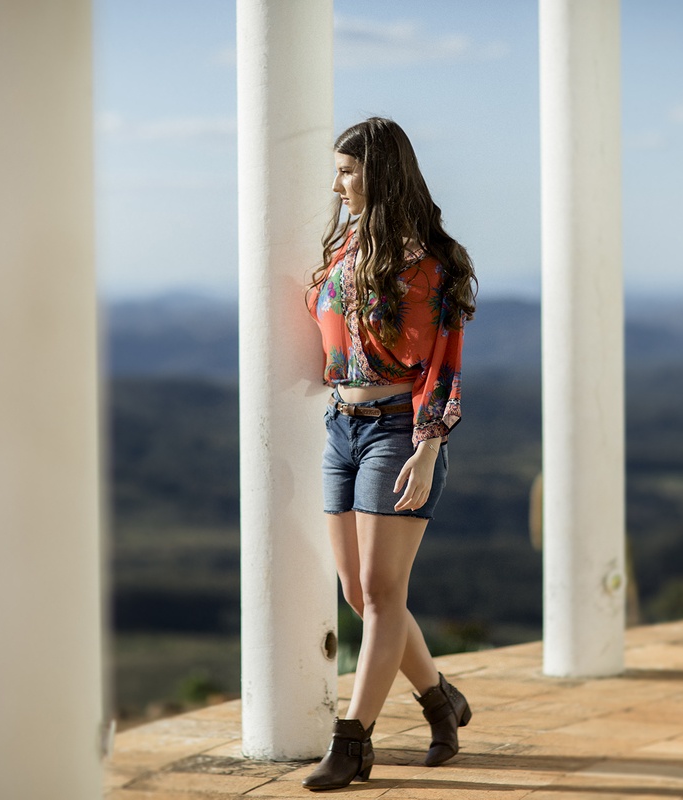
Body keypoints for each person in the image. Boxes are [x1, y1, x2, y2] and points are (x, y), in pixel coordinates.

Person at [301, 117, 478, 791]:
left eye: (347, 169)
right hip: (339, 426)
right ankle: (442, 700)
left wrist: (428, 446)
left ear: (380, 171)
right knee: (358, 591)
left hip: (398, 430)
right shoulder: (345, 247)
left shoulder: (430, 260)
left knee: (382, 593)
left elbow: (444, 363)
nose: (337, 182)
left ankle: (353, 742)